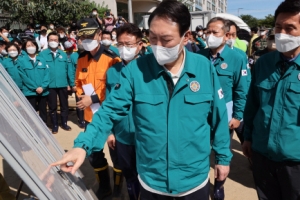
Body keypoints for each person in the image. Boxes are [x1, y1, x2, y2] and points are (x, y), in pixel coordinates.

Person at [52, 2, 232, 200]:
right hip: (152, 180)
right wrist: (82, 145)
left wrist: (223, 157)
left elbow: (219, 116)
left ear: (186, 37)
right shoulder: (135, 71)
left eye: (166, 40)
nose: (158, 46)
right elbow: (109, 111)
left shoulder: (204, 68)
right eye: (153, 38)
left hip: (193, 180)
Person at [242, 1, 300, 199]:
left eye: (290, 28)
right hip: (262, 155)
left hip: (295, 163)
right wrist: (248, 136)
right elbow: (253, 104)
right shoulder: (264, 63)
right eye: (278, 27)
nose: (282, 33)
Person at [198, 17, 248, 199]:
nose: (209, 36)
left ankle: (219, 185)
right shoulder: (199, 55)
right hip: (201, 112)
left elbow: (242, 90)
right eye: (207, 32)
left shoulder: (237, 58)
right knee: (201, 149)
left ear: (226, 35)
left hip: (224, 114)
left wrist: (238, 116)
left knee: (222, 151)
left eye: (214, 32)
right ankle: (201, 181)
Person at [75, 17, 121, 199]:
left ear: (99, 34)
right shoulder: (81, 59)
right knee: (94, 154)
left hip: (109, 117)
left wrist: (92, 98)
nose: (86, 40)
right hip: (90, 116)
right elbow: (78, 84)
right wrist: (82, 96)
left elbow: (116, 89)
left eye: (90, 36)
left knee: (116, 154)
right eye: (82, 37)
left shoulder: (112, 58)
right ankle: (104, 186)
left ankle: (118, 187)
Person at [106, 23, 144, 199]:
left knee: (148, 176)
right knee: (129, 174)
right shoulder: (113, 72)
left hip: (146, 135)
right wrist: (111, 132)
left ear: (140, 44)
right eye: (120, 44)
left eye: (129, 44)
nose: (124, 48)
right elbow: (109, 104)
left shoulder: (150, 69)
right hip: (122, 135)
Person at [39, 32, 75, 134]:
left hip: (63, 84)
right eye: (51, 40)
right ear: (48, 41)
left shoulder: (63, 54)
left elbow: (68, 70)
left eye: (55, 40)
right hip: (49, 85)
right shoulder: (42, 54)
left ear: (58, 41)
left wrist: (70, 83)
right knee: (52, 106)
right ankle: (55, 125)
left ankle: (64, 123)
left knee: (64, 105)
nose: (53, 42)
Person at [224, 20, 251, 145]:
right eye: (227, 34)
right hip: (224, 105)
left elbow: (246, 80)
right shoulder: (207, 55)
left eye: (233, 35)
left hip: (239, 103)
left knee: (245, 137)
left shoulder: (240, 55)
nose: (230, 38)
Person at [18, 39, 49, 124]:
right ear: (25, 48)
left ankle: (44, 130)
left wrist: (42, 87)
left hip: (43, 91)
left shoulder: (42, 60)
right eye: (28, 46)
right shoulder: (21, 61)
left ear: (36, 47)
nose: (31, 47)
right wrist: (35, 87)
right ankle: (33, 132)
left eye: (33, 45)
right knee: (31, 113)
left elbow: (47, 74)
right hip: (30, 92)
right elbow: (24, 77)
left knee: (43, 111)